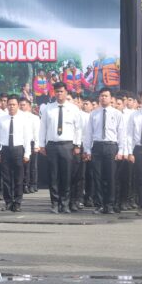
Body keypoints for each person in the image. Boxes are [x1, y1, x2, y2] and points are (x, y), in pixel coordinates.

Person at [39, 82, 83, 214]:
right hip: (52, 145)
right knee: (53, 176)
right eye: (57, 91)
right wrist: (41, 144)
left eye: (61, 91)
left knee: (67, 175)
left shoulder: (73, 109)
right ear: (54, 93)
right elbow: (43, 128)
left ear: (66, 92)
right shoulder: (48, 109)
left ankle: (65, 203)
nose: (59, 94)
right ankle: (54, 203)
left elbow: (78, 128)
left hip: (67, 145)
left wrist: (77, 145)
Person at [82, 88, 125, 214]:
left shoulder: (117, 114)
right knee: (97, 177)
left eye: (106, 96)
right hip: (97, 146)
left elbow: (121, 133)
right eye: (101, 96)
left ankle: (110, 204)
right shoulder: (94, 114)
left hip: (111, 146)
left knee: (111, 177)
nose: (103, 98)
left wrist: (121, 150)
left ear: (111, 98)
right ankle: (99, 205)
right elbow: (89, 133)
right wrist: (87, 149)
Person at [0, 95, 32, 212]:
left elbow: (27, 137)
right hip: (5, 150)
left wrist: (27, 153)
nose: (11, 106)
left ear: (18, 105)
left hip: (18, 149)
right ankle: (8, 202)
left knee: (18, 178)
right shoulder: (1, 119)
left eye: (14, 104)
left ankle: (17, 202)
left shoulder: (23, 119)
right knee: (6, 178)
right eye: (9, 104)